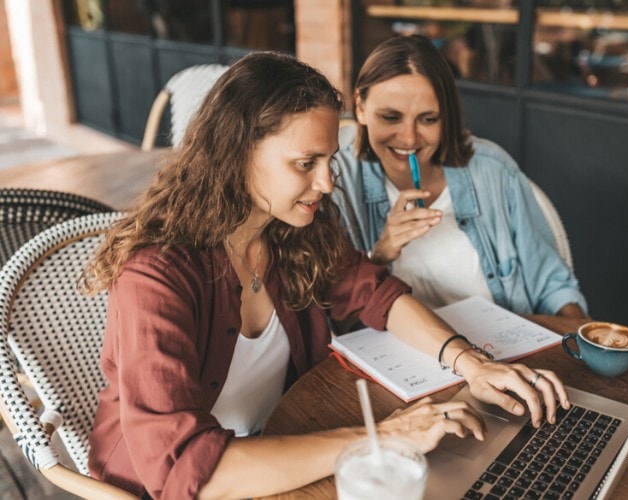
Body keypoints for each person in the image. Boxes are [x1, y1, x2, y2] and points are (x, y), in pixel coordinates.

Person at [81, 51, 570, 500]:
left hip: (284, 450)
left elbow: (377, 294)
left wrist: (473, 364)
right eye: (305, 163)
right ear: (235, 154)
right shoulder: (155, 274)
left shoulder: (293, 228)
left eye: (329, 159)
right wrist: (383, 438)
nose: (326, 182)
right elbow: (185, 468)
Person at [333, 35, 588, 317]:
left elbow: (553, 286)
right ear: (360, 107)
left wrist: (582, 350)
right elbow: (335, 318)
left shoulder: (492, 170)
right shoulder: (337, 185)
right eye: (390, 117)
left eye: (428, 119)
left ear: (447, 117)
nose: (408, 138)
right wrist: (381, 254)